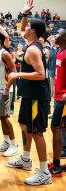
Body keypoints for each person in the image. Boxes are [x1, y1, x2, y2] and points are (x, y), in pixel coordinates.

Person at [7, 0, 52, 186]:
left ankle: (44, 172)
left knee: (37, 132)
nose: (22, 28)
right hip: (29, 95)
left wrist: (17, 74)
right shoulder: (30, 42)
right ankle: (26, 158)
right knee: (25, 126)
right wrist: (25, 14)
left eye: (26, 26)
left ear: (32, 31)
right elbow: (22, 28)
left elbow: (41, 74)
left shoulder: (33, 50)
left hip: (36, 97)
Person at [48, 27, 66, 176]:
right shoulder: (59, 51)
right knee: (62, 128)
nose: (55, 36)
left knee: (56, 128)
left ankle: (57, 166)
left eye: (58, 34)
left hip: (63, 98)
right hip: (58, 96)